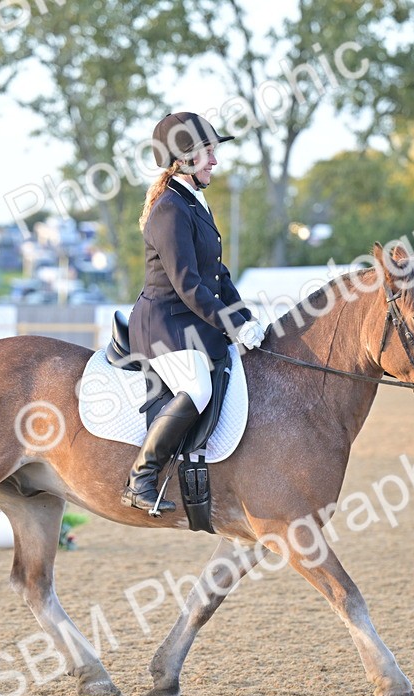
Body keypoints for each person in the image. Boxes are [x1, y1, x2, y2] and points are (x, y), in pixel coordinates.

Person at [121, 112, 265, 514]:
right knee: (198, 389)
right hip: (164, 325)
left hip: (191, 321)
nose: (214, 161)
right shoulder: (170, 209)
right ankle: (141, 478)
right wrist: (232, 325)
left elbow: (217, 274)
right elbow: (188, 286)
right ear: (183, 159)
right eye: (208, 153)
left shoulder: (192, 201)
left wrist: (246, 318)